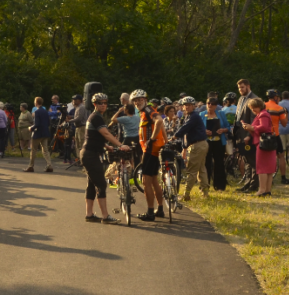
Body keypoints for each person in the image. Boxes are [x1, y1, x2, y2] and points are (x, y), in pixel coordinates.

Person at [81, 93, 129, 224]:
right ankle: (106, 216)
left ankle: (89, 214)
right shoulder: (96, 117)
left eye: (105, 103)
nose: (103, 105)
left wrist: (107, 147)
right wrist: (120, 145)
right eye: (100, 103)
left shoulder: (97, 117)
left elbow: (94, 136)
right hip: (90, 155)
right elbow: (105, 133)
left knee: (91, 185)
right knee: (101, 184)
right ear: (94, 104)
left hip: (91, 153)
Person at [135, 90, 168, 221]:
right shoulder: (146, 112)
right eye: (135, 100)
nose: (137, 102)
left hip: (150, 150)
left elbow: (160, 121)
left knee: (146, 181)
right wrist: (166, 141)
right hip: (155, 149)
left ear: (145, 99)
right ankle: (160, 209)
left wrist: (152, 139)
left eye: (140, 99)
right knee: (154, 180)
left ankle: (150, 212)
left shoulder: (148, 110)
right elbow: (162, 126)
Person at [173, 96, 209, 201]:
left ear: (194, 106)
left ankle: (186, 195)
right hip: (201, 144)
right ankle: (205, 192)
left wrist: (174, 136)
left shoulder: (193, 116)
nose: (187, 107)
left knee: (191, 171)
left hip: (197, 145)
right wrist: (184, 147)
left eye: (189, 105)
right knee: (201, 169)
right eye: (185, 105)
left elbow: (185, 128)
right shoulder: (189, 116)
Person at [250, 97, 277, 197]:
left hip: (263, 143)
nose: (253, 110)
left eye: (254, 107)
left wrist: (252, 127)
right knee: (269, 169)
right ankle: (267, 190)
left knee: (262, 168)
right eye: (252, 108)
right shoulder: (263, 114)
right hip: (268, 143)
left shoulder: (263, 114)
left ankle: (262, 190)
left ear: (260, 106)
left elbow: (264, 127)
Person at [203, 95, 230, 192]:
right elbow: (197, 128)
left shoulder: (221, 113)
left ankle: (220, 186)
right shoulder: (202, 114)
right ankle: (205, 185)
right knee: (206, 164)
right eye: (208, 103)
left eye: (213, 103)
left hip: (219, 142)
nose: (210, 105)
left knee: (219, 164)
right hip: (206, 142)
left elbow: (228, 127)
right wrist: (204, 131)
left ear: (216, 106)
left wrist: (223, 130)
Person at [266, 90, 289, 185]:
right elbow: (284, 124)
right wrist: (286, 114)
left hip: (264, 135)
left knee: (266, 157)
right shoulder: (279, 108)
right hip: (275, 135)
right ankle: (283, 178)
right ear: (275, 97)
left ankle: (268, 178)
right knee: (281, 156)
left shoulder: (263, 106)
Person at [25, 96, 54, 172]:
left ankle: (31, 166)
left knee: (33, 150)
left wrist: (31, 128)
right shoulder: (45, 111)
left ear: (36, 102)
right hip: (45, 132)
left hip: (38, 133)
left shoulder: (37, 112)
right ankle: (49, 165)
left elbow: (37, 124)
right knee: (45, 150)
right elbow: (48, 123)